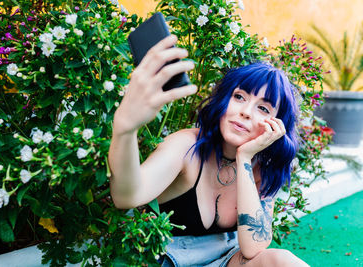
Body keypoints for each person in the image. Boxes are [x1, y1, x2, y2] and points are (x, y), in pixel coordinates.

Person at [108, 35, 309, 266]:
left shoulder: (264, 168)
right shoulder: (187, 146)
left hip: (225, 259)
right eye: (239, 97)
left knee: (282, 260)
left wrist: (244, 158)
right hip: (168, 259)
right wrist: (125, 130)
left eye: (263, 108)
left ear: (277, 126)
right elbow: (127, 196)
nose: (246, 112)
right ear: (224, 100)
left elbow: (254, 248)